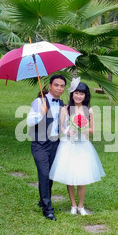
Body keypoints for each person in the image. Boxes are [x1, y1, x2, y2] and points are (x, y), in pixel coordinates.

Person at [49, 77, 105, 216]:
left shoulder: (89, 110)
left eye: (82, 94)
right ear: (72, 93)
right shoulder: (65, 109)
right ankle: (73, 205)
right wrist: (68, 131)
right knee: (69, 176)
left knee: (81, 177)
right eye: (76, 93)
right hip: (68, 145)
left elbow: (92, 130)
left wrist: (83, 128)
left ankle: (81, 206)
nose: (78, 96)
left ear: (85, 96)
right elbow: (61, 127)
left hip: (82, 146)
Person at [27, 74, 66, 221]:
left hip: (55, 143)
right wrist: (41, 114)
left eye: (62, 86)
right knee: (44, 173)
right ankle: (47, 209)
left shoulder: (62, 104)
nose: (59, 88)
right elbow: (30, 121)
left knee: (50, 174)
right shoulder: (39, 102)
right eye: (56, 85)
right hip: (40, 144)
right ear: (50, 86)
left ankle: (44, 200)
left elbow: (63, 125)